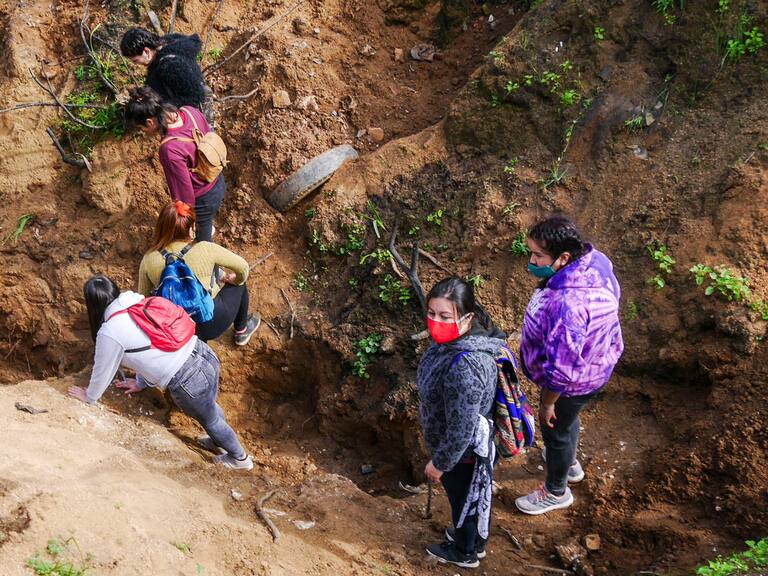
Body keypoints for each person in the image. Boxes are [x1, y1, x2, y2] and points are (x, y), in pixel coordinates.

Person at [68, 275, 254, 470]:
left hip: (187, 377)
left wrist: (90, 396)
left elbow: (102, 370)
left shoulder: (110, 331)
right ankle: (217, 441)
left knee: (211, 419)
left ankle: (239, 458)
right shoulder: (138, 301)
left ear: (92, 304)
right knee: (210, 408)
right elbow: (154, 347)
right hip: (203, 353)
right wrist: (140, 382)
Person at [515, 215, 623, 515]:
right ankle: (569, 463)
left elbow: (562, 371)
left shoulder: (568, 305)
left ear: (563, 257)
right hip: (598, 362)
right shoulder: (594, 261)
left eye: (538, 255)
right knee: (567, 421)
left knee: (555, 427)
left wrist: (547, 403)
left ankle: (555, 491)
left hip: (573, 381)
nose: (532, 260)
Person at [416, 277, 506, 569]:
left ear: (467, 317)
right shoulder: (455, 343)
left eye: (444, 316)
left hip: (463, 454)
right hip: (467, 448)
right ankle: (474, 541)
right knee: (473, 495)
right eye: (431, 313)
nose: (435, 321)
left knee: (463, 499)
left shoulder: (465, 366)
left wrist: (440, 463)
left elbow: (461, 429)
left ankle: (464, 551)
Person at [138, 200, 261, 345]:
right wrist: (235, 279)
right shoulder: (205, 248)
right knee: (239, 285)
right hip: (214, 319)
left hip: (178, 328)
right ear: (191, 229)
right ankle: (241, 330)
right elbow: (243, 267)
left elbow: (143, 300)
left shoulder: (148, 259)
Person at [125, 86, 224, 243]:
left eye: (141, 128)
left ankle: (213, 266)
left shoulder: (169, 149)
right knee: (205, 221)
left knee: (204, 246)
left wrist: (187, 224)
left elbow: (184, 196)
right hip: (217, 180)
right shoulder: (190, 111)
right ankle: (206, 224)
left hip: (203, 199)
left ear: (150, 122)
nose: (143, 131)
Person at [119, 27, 213, 121]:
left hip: (195, 116)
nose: (136, 64)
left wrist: (164, 107)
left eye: (135, 60)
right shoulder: (171, 42)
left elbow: (196, 96)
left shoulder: (170, 66)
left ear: (146, 51)